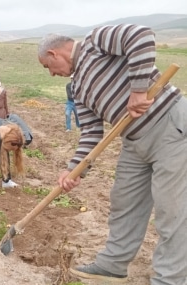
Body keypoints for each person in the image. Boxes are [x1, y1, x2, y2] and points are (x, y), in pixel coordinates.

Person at [38, 24, 186, 284]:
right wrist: (74, 169)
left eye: (48, 67)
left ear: (54, 54)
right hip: (134, 141)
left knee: (171, 209)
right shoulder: (78, 88)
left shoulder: (95, 42)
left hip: (169, 128)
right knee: (123, 201)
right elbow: (91, 134)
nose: (51, 74)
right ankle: (113, 265)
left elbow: (141, 36)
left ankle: (170, 278)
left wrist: (139, 90)